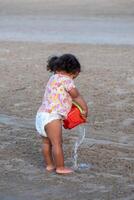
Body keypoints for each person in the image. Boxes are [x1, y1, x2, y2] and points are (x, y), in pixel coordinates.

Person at [35, 54, 88, 174]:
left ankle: (49, 165)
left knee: (46, 142)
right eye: (76, 76)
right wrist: (85, 109)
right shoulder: (67, 80)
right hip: (52, 117)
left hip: (41, 115)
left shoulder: (53, 77)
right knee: (57, 143)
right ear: (74, 71)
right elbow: (76, 96)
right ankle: (60, 167)